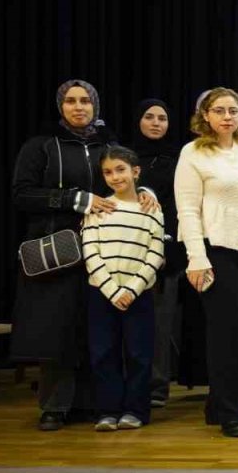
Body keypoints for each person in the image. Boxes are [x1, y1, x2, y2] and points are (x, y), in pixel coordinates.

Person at [12, 80, 154, 431]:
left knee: (99, 334)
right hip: (58, 252)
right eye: (71, 101)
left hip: (106, 251)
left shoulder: (109, 145)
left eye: (85, 101)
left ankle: (95, 404)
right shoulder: (41, 146)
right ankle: (55, 406)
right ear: (60, 106)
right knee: (58, 330)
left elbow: (126, 178)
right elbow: (22, 195)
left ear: (96, 106)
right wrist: (75, 199)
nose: (79, 107)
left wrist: (145, 191)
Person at [175, 87, 238, 438]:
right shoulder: (192, 152)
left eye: (233, 110)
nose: (227, 116)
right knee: (224, 333)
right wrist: (196, 258)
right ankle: (232, 413)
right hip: (214, 249)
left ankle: (218, 404)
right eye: (219, 110)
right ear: (205, 115)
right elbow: (187, 209)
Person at [83, 146, 165, 431]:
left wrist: (132, 288)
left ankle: (135, 410)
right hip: (102, 294)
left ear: (135, 172)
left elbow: (155, 253)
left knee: (139, 354)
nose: (115, 177)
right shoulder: (98, 209)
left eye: (120, 170)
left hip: (138, 295)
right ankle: (107, 410)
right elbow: (90, 252)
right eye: (108, 172)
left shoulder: (151, 210)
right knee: (103, 353)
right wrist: (112, 290)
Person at [131, 98, 184, 409]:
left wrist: (168, 243)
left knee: (161, 323)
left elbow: (182, 204)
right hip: (127, 248)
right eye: (149, 117)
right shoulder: (124, 155)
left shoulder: (179, 158)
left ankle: (157, 386)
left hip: (167, 249)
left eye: (161, 118)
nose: (155, 123)